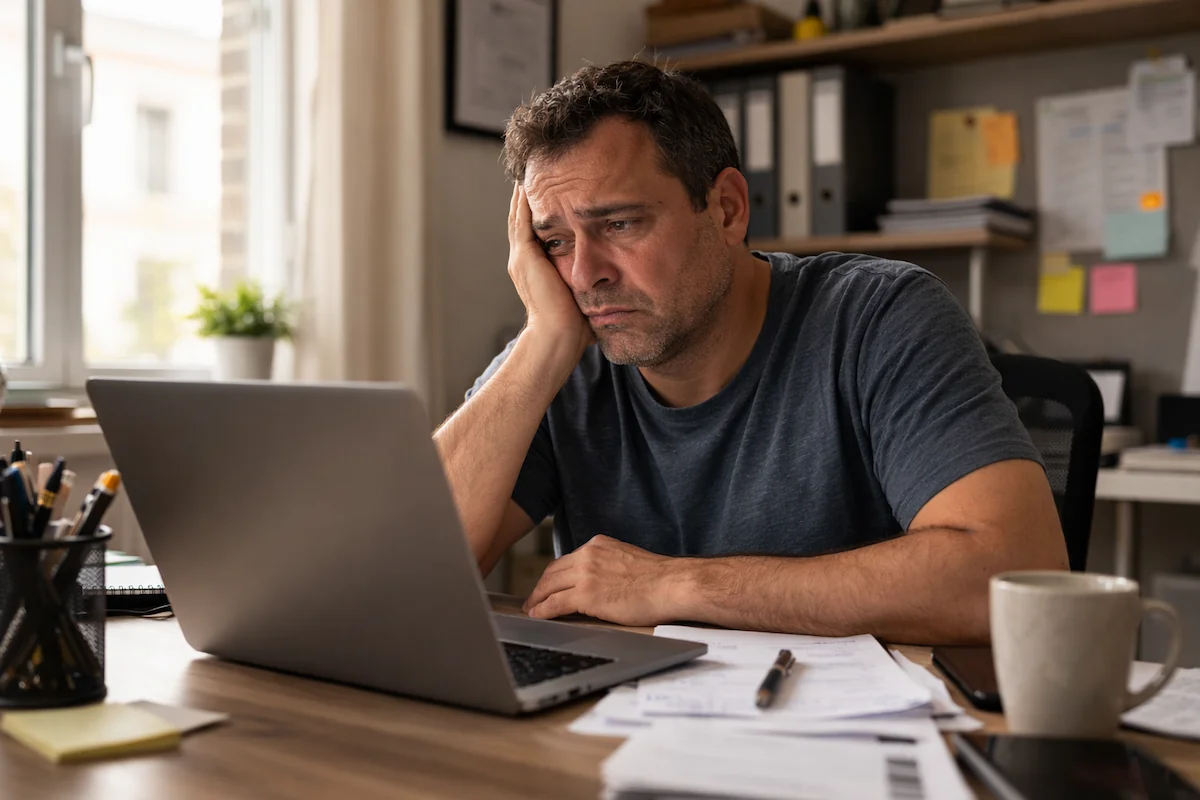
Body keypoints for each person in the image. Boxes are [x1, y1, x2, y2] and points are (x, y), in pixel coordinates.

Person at [433, 60, 1067, 644]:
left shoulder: (879, 317)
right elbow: (412, 570)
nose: (584, 275)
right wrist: (543, 341)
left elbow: (1012, 573)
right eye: (555, 242)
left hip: (843, 718)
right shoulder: (561, 350)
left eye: (619, 224)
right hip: (622, 715)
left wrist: (679, 585)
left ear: (728, 210)